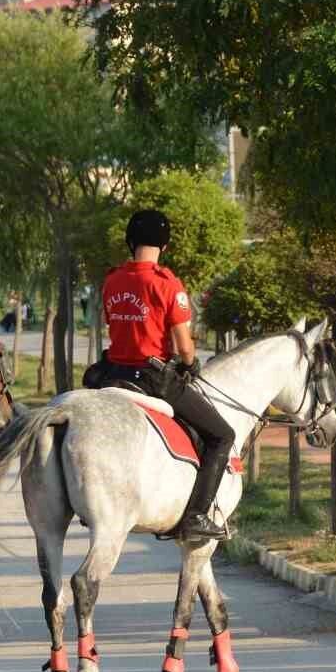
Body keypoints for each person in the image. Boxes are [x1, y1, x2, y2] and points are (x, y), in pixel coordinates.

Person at [85, 208, 234, 541]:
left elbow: (113, 324)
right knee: (222, 436)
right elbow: (184, 347)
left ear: (129, 241)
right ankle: (196, 515)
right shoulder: (168, 284)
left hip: (112, 374)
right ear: (164, 246)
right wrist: (190, 361)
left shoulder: (112, 281)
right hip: (154, 378)